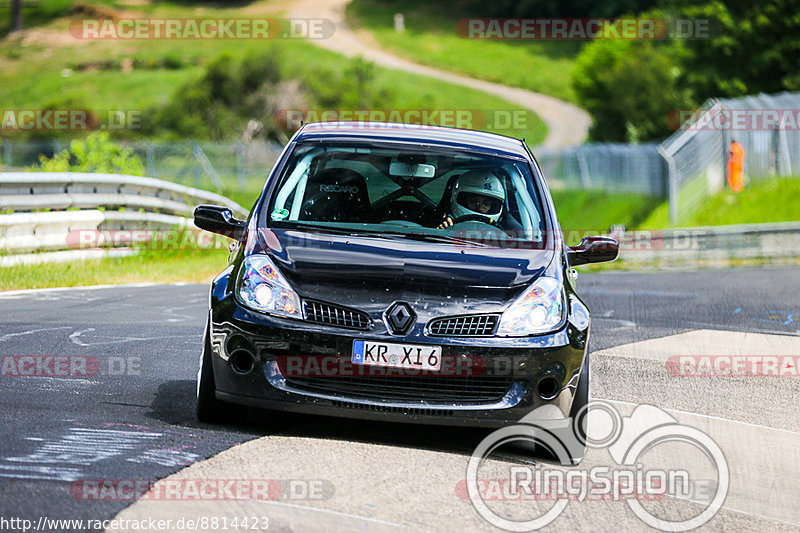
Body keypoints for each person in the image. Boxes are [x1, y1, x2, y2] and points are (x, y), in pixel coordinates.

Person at [437, 170, 507, 229]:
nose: (479, 208)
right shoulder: (446, 224)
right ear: (463, 200)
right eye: (474, 201)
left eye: (485, 204)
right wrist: (443, 232)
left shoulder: (499, 236)